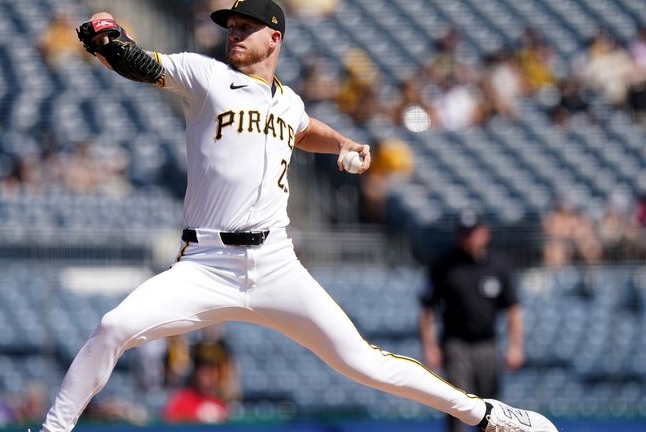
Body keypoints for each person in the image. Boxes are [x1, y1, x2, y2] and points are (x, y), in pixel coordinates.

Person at [37, 2, 558, 431]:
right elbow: (145, 65)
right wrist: (108, 41)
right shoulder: (206, 76)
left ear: (275, 39)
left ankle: (486, 414)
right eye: (231, 27)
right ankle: (55, 429)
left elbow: (302, 127)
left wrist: (345, 142)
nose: (234, 35)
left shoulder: (287, 102)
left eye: (246, 27)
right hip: (206, 262)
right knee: (112, 327)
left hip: (276, 262)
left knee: (362, 362)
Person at [419, 211, 525, 432]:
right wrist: (429, 346)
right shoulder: (444, 265)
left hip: (487, 344)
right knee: (458, 403)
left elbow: (513, 309)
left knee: (491, 407)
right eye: (463, 233)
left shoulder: (498, 265)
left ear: (484, 234)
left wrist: (515, 346)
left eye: (471, 233)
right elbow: (427, 309)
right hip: (456, 344)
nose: (467, 238)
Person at [162, 357, 230, 424]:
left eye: (211, 374)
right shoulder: (183, 399)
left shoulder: (219, 403)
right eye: (205, 374)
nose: (208, 380)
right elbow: (168, 417)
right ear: (196, 376)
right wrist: (196, 418)